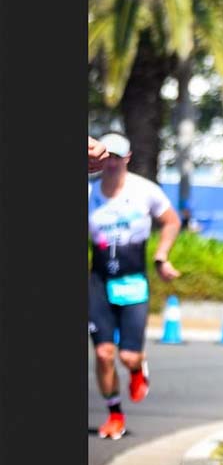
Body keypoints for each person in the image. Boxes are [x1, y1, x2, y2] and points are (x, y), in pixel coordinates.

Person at [88, 132, 181, 439]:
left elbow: (171, 220)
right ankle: (115, 414)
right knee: (103, 354)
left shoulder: (144, 191)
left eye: (117, 157)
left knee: (127, 357)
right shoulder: (89, 193)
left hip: (133, 281)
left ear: (127, 158)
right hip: (99, 279)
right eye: (106, 157)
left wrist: (161, 255)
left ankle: (137, 368)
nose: (111, 163)